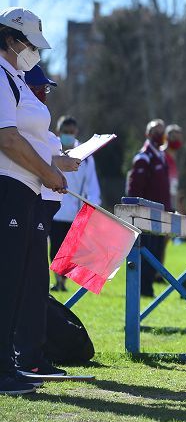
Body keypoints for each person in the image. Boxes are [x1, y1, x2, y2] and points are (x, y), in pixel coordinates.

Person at [0, 7, 70, 395]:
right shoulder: (0, 76)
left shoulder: (16, 78)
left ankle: (11, 363)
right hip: (7, 188)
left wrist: (51, 168)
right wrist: (49, 174)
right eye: (29, 43)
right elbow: (7, 138)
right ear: (11, 38)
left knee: (18, 282)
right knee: (6, 281)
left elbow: (28, 140)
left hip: (23, 189)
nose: (34, 53)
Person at [50, 116, 102, 292]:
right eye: (65, 132)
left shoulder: (86, 155)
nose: (69, 136)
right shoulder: (51, 148)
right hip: (54, 209)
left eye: (72, 133)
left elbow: (92, 185)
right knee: (55, 248)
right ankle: (57, 281)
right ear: (59, 132)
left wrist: (91, 207)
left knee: (69, 251)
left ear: (76, 132)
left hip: (74, 211)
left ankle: (62, 281)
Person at [127, 119, 172, 296]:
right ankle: (143, 289)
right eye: (155, 131)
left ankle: (148, 286)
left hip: (160, 214)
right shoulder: (143, 157)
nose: (159, 135)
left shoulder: (161, 156)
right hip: (145, 216)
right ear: (147, 134)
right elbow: (135, 188)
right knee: (146, 253)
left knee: (157, 253)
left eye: (161, 131)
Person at [162, 124, 184, 213]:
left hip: (171, 205)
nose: (177, 140)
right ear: (166, 137)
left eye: (179, 138)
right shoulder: (161, 156)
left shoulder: (174, 159)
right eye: (174, 137)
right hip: (161, 204)